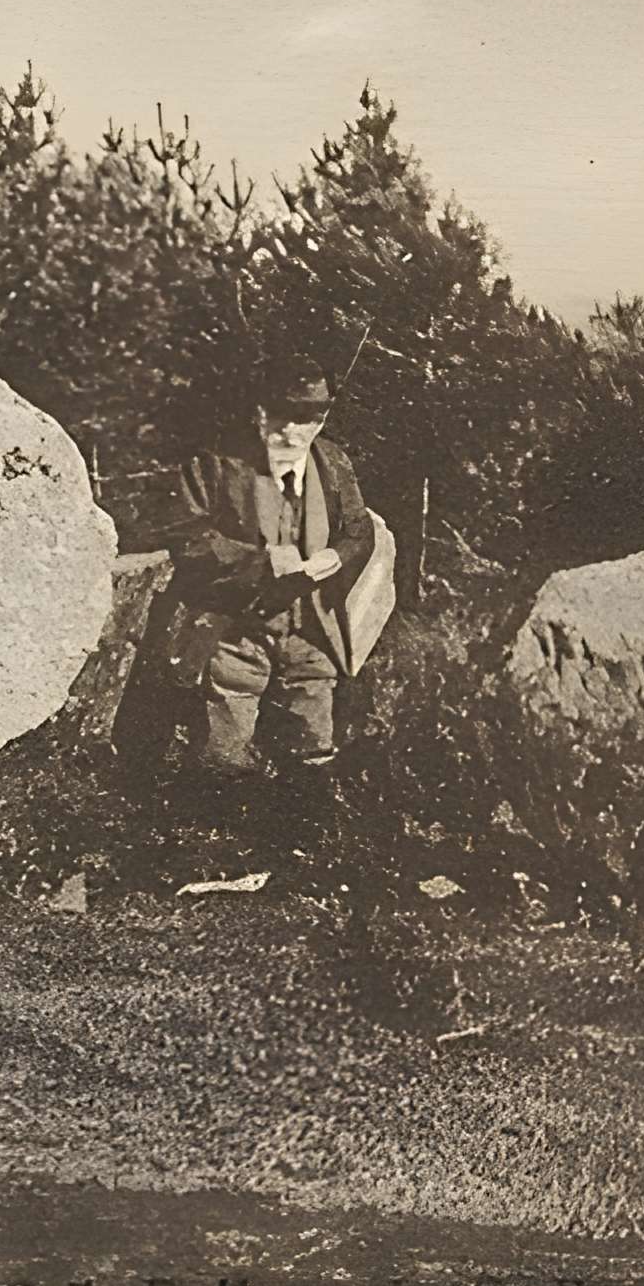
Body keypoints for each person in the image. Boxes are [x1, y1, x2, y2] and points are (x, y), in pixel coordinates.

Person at [151, 348, 380, 900]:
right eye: (285, 415)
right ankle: (213, 860)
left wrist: (336, 559)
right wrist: (257, 562)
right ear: (259, 413)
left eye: (313, 416)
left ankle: (300, 862)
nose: (297, 429)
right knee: (223, 743)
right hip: (233, 628)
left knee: (312, 743)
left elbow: (359, 529)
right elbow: (184, 535)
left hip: (310, 629)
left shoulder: (334, 463)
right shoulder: (213, 463)